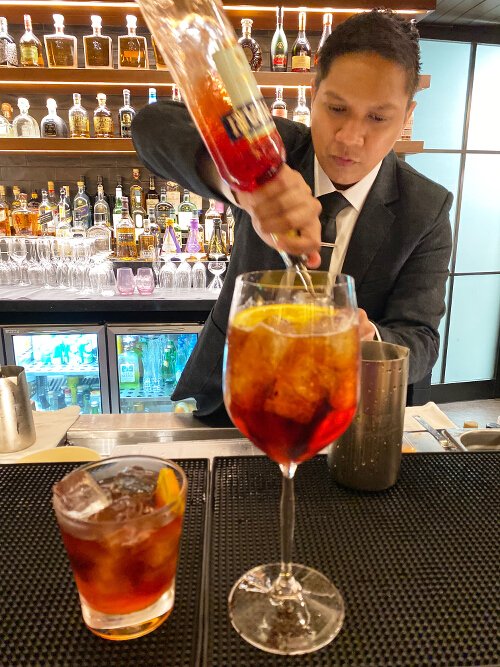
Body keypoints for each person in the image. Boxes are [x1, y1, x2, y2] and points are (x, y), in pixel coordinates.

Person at [132, 9, 452, 418]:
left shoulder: (426, 208)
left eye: (377, 117)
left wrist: (368, 338)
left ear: (407, 116)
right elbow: (152, 126)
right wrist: (242, 185)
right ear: (314, 93)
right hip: (232, 399)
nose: (350, 138)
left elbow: (421, 339)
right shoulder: (272, 149)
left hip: (340, 416)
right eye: (336, 108)